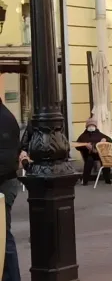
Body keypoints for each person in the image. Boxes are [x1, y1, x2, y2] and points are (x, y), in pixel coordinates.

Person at [0, 97, 21, 280]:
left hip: (3, 186)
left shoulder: (4, 119)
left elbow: (5, 161)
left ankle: (12, 277)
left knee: (2, 236)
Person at [75, 117, 112, 185]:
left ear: (95, 126)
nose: (91, 127)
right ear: (87, 126)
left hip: (99, 154)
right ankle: (85, 180)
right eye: (89, 125)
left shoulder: (100, 134)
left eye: (93, 125)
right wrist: (85, 146)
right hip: (88, 154)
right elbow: (77, 145)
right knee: (89, 160)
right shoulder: (83, 136)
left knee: (105, 159)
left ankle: (107, 179)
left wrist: (105, 139)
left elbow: (110, 140)